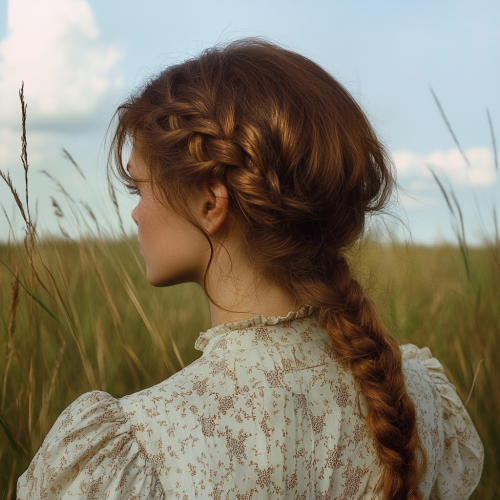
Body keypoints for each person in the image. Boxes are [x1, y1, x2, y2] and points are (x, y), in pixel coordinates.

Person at [17, 38, 483, 500]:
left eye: (139, 187)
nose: (136, 214)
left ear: (210, 201)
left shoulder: (144, 442)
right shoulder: (419, 399)